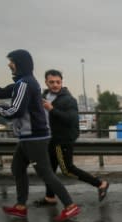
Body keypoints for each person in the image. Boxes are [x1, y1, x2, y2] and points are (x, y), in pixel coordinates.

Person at [0, 49, 80, 221]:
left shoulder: (25, 83)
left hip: (35, 136)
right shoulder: (23, 83)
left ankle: (70, 206)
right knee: (17, 168)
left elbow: (15, 111)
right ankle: (20, 206)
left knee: (46, 173)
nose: (9, 65)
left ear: (20, 63)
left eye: (11, 62)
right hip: (27, 136)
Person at [33, 69, 109, 206]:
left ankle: (101, 184)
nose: (55, 85)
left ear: (62, 82)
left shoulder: (68, 100)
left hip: (62, 140)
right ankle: (50, 197)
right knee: (49, 170)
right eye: (51, 82)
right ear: (46, 82)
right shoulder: (44, 96)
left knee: (68, 170)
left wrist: (52, 109)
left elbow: (71, 119)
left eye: (58, 82)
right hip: (50, 139)